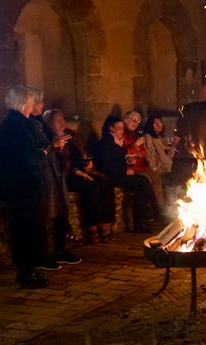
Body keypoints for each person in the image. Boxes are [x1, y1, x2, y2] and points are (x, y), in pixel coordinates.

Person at [0, 85, 49, 288]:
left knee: (30, 229)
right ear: (22, 103)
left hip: (24, 186)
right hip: (21, 187)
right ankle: (25, 272)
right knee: (24, 231)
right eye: (30, 101)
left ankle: (30, 270)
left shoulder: (17, 124)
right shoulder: (16, 127)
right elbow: (29, 157)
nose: (32, 105)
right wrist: (45, 152)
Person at [43, 108, 116, 244]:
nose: (63, 123)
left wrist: (88, 162)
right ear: (49, 123)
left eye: (63, 119)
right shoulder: (50, 139)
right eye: (58, 121)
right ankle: (92, 227)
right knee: (91, 187)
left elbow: (82, 151)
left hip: (81, 170)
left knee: (105, 183)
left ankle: (106, 224)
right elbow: (58, 161)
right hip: (66, 176)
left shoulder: (70, 135)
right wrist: (76, 170)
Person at [27, 88, 80, 267]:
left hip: (56, 175)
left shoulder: (38, 126)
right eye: (39, 102)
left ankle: (60, 249)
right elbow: (38, 152)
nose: (42, 105)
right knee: (45, 216)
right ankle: (43, 255)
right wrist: (54, 145)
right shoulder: (32, 126)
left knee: (61, 213)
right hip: (44, 176)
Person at [93, 115, 156, 233]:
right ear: (111, 128)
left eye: (122, 128)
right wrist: (125, 170)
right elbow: (107, 165)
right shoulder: (106, 144)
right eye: (119, 128)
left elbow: (122, 158)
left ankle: (141, 222)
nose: (122, 130)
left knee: (141, 185)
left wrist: (129, 162)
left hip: (120, 173)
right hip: (112, 176)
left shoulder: (116, 142)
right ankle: (153, 208)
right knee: (141, 181)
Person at [143, 114, 175, 209]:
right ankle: (160, 208)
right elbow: (150, 155)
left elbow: (163, 148)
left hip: (162, 163)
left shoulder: (159, 137)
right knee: (158, 179)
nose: (159, 125)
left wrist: (171, 148)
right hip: (155, 166)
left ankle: (172, 205)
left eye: (160, 123)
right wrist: (155, 167)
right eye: (155, 123)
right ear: (150, 125)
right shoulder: (148, 137)